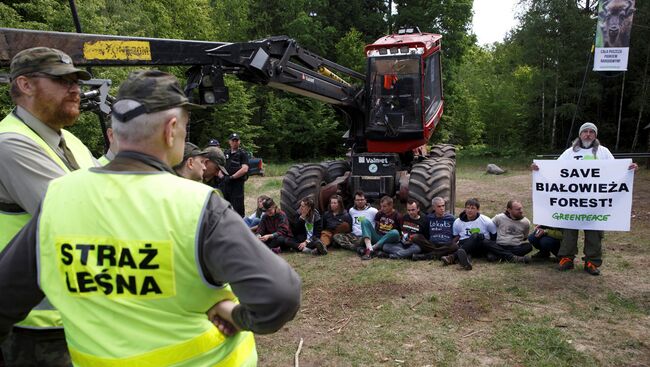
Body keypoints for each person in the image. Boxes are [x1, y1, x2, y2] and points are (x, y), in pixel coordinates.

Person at [0, 70, 301, 366]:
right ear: (171, 130)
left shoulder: (58, 198)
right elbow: (279, 296)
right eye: (185, 127)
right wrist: (236, 316)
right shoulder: (197, 205)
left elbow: (6, 297)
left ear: (116, 131)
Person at [0, 47, 98, 366]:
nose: (75, 89)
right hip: (35, 326)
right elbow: (84, 216)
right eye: (62, 80)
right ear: (25, 85)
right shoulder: (10, 143)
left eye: (76, 81)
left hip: (74, 315)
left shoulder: (71, 141)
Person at [532, 122, 638, 275]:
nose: (588, 134)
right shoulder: (569, 152)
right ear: (580, 134)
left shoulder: (603, 152)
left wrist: (629, 169)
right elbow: (555, 170)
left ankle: (592, 262)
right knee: (569, 230)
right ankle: (567, 258)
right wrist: (539, 169)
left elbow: (616, 171)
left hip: (595, 202)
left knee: (594, 232)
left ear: (595, 135)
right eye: (585, 132)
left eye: (591, 132)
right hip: (572, 201)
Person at [445, 198, 498, 270]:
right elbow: (456, 235)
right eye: (467, 208)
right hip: (465, 243)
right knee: (465, 252)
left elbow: (494, 234)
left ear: (478, 209)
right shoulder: (457, 222)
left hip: (481, 244)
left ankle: (453, 257)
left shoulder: (486, 220)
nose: (469, 210)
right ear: (465, 209)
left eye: (472, 208)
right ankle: (466, 263)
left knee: (476, 236)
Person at [411, 197, 459, 261]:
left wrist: (452, 242)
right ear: (434, 207)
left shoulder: (451, 218)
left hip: (446, 244)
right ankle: (440, 253)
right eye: (439, 206)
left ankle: (425, 256)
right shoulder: (428, 218)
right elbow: (423, 231)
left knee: (454, 246)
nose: (442, 208)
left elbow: (457, 234)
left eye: (443, 206)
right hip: (431, 245)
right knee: (415, 237)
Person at [359, 195, 401, 260]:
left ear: (391, 205)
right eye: (381, 206)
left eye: (384, 206)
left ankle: (372, 249)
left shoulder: (397, 216)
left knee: (395, 232)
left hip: (389, 239)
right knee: (364, 221)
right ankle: (369, 248)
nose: (382, 208)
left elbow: (401, 231)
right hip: (378, 237)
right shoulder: (380, 214)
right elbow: (377, 225)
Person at [223, 133, 249, 217]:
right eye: (233, 140)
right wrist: (222, 177)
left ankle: (240, 225)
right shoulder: (226, 153)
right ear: (229, 142)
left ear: (239, 142)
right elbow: (220, 166)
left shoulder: (242, 153)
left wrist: (232, 177)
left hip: (237, 184)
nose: (235, 142)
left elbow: (245, 169)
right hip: (226, 183)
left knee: (238, 207)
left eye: (236, 140)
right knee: (225, 206)